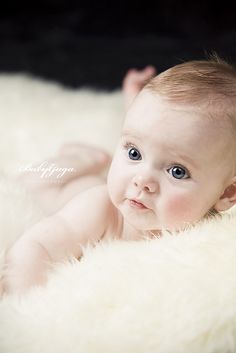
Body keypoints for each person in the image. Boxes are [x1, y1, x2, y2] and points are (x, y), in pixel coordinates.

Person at [2, 58, 236, 295]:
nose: (142, 180)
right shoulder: (100, 208)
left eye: (177, 171)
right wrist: (23, 304)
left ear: (228, 193)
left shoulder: (210, 241)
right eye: (134, 153)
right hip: (59, 189)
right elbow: (37, 246)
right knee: (34, 180)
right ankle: (83, 157)